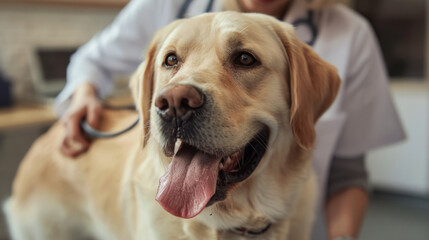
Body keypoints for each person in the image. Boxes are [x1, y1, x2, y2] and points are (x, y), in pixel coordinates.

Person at [54, 0, 406, 239]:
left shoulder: (351, 33)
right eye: (172, 61)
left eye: (245, 60)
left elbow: (348, 173)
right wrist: (83, 94)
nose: (179, 95)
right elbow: (91, 60)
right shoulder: (166, 4)